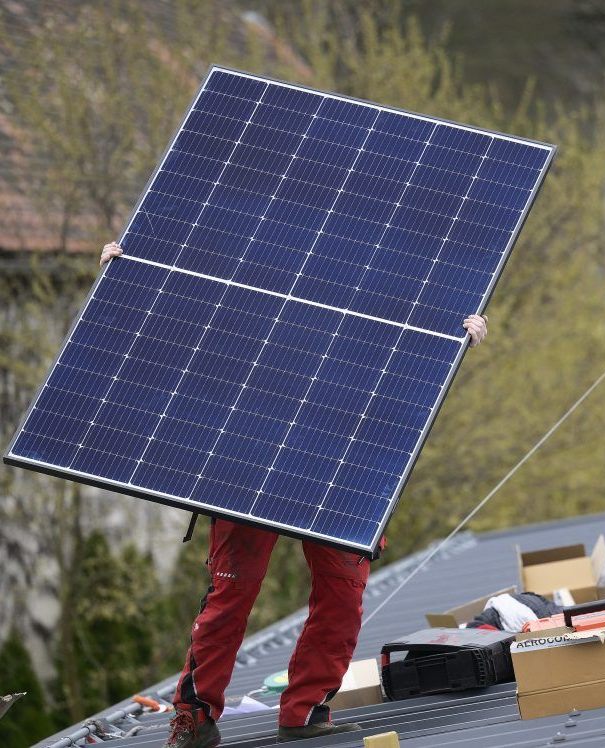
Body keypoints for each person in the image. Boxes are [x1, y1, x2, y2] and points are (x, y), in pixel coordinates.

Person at [99, 242, 489, 746]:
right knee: (229, 595)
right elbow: (183, 322)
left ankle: (304, 710)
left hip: (344, 455)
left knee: (341, 596)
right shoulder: (255, 253)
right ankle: (194, 718)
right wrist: (127, 281)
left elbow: (409, 344)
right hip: (246, 448)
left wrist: (454, 339)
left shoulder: (385, 263)